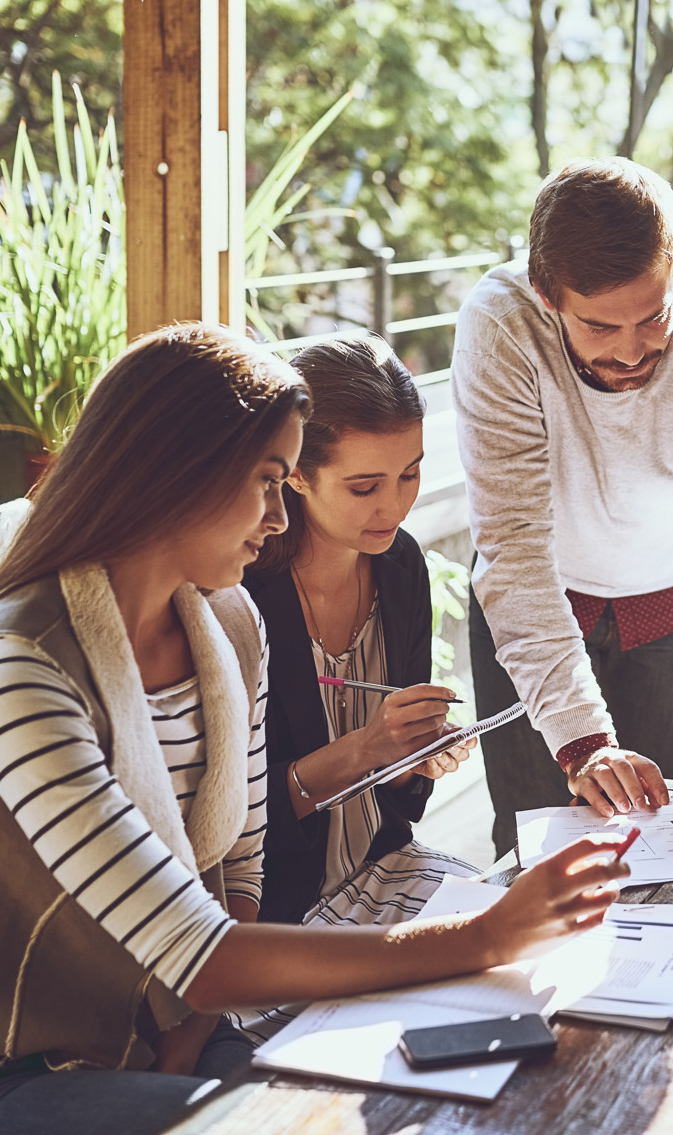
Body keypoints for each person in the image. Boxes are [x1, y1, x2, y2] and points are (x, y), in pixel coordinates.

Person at [0, 325, 628, 1135]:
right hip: (35, 1066)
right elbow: (206, 952)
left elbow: (239, 874)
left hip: (179, 1030)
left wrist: (193, 1045)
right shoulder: (25, 666)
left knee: (456, 1091)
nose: (275, 515)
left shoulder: (226, 625)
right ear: (175, 471)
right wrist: (486, 934)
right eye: (268, 481)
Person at [454, 157, 673, 856]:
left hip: (672, 610)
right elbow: (512, 547)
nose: (634, 351)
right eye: (601, 328)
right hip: (534, 606)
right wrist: (582, 745)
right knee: (531, 849)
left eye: (653, 317)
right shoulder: (501, 325)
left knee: (649, 847)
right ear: (548, 295)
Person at [237, 336, 478, 1033]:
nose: (395, 506)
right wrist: (365, 748)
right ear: (297, 475)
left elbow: (401, 807)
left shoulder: (400, 566)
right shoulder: (243, 591)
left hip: (384, 869)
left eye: (410, 475)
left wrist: (415, 758)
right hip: (280, 913)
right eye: (365, 486)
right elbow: (235, 833)